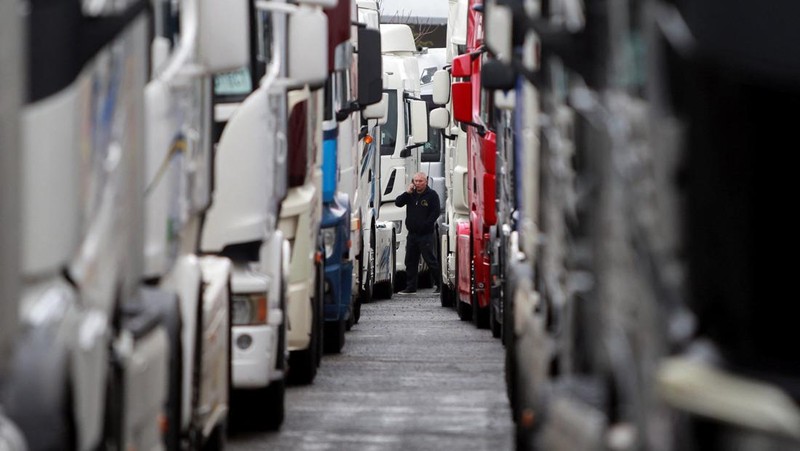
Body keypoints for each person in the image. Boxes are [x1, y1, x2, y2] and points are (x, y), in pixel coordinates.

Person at [394, 171, 442, 294]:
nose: (418, 183)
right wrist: (407, 192)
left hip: (425, 234)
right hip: (412, 234)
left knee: (430, 260)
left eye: (420, 181)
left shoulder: (432, 195)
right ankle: (411, 287)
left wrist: (426, 225)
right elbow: (398, 203)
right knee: (410, 261)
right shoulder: (410, 195)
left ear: (426, 181)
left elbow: (435, 212)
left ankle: (440, 285)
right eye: (416, 181)